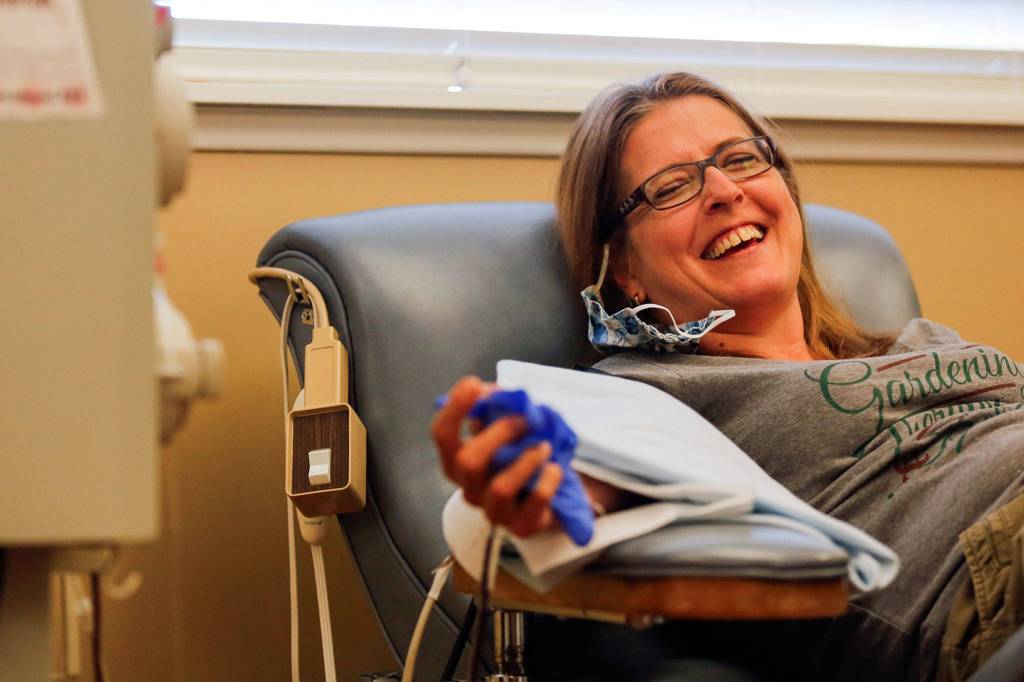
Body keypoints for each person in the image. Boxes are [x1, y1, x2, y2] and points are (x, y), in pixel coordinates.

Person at [430, 72, 1024, 682]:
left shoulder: (924, 340)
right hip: (987, 587)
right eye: (670, 187)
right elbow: (581, 483)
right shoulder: (651, 395)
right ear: (625, 267)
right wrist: (527, 485)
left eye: (740, 159)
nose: (723, 190)